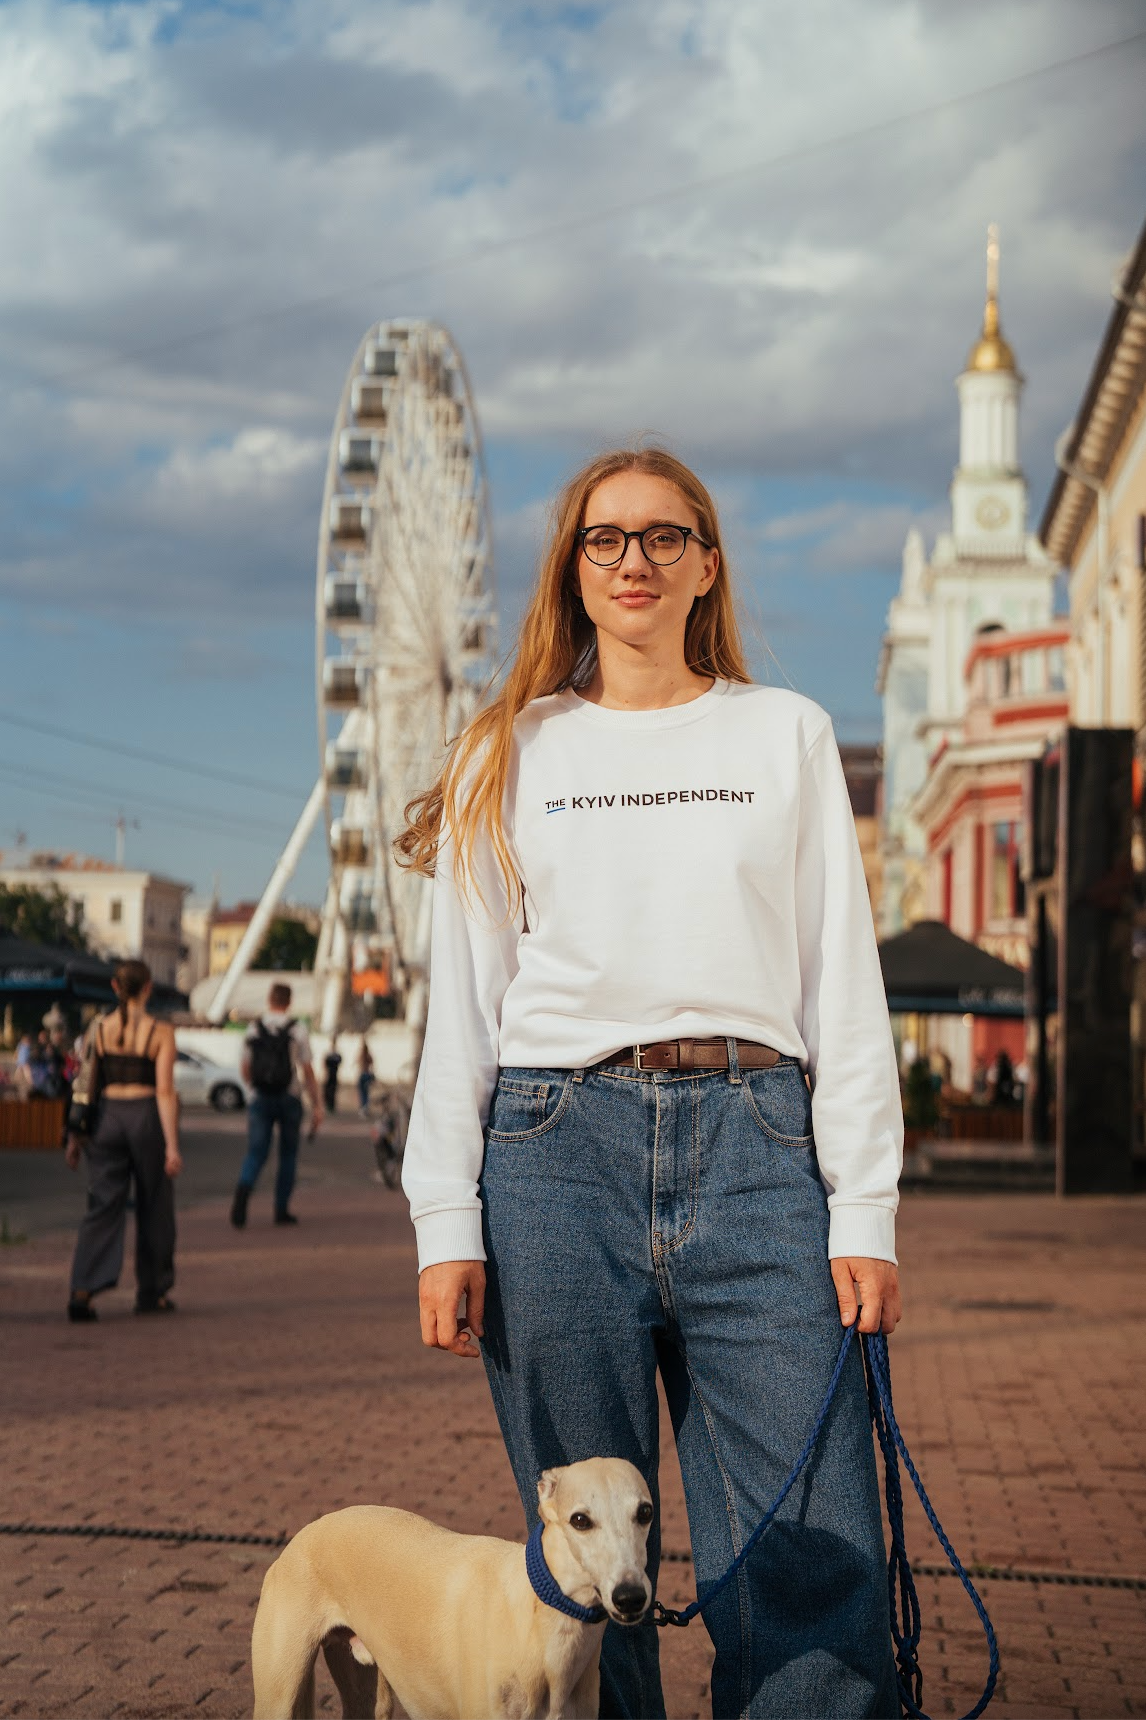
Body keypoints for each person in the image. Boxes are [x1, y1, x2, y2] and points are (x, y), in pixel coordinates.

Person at [399, 448, 904, 1719]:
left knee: (809, 1537)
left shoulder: (784, 734)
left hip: (758, 1148)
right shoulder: (502, 752)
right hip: (551, 1149)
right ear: (572, 569)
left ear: (707, 563)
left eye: (663, 536)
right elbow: (459, 1010)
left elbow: (843, 981)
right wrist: (443, 1223)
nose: (634, 559)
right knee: (585, 1567)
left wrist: (866, 1207)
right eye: (604, 539)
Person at [64, 959, 181, 1321]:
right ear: (148, 987)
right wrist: (173, 1146)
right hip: (145, 1116)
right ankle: (152, 1291)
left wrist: (74, 1137)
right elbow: (165, 1091)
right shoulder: (160, 1031)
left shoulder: (98, 1028)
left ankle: (82, 1291)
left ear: (115, 988)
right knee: (155, 1206)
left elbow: (85, 1084)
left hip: (107, 1120)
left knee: (102, 1205)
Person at [231, 983, 322, 1229]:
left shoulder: (253, 1028)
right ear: (289, 1002)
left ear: (269, 999)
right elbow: (307, 1070)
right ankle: (281, 1209)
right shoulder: (298, 1029)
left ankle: (243, 1190)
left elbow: (245, 1067)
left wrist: (253, 1090)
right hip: (289, 1096)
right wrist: (317, 1104)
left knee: (256, 1152)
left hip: (260, 1098)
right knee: (288, 1155)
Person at [357, 1037, 375, 1115]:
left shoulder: (362, 1055)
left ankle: (364, 1107)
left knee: (363, 1092)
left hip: (363, 1075)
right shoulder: (367, 1055)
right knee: (365, 1092)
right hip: (366, 1075)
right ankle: (365, 1107)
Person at [322, 1046, 342, 1113]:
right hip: (330, 1076)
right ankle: (328, 1105)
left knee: (332, 1091)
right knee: (328, 1091)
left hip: (333, 1076)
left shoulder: (335, 1056)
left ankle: (331, 1106)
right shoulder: (330, 1056)